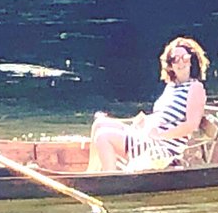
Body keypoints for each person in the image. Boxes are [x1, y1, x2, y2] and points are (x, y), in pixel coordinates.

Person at [87, 36, 210, 173]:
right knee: (99, 124)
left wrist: (160, 135)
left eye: (185, 58)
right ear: (170, 65)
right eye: (175, 59)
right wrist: (146, 119)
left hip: (163, 149)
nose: (180, 63)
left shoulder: (195, 88)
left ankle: (109, 179)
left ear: (191, 60)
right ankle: (91, 173)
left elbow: (191, 125)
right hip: (150, 138)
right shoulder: (171, 86)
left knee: (103, 136)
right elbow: (163, 115)